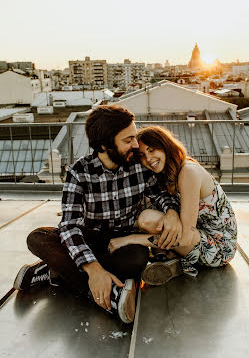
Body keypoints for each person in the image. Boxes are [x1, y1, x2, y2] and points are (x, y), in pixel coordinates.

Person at [13, 106, 180, 324]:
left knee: (138, 259)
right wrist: (93, 269)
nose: (136, 145)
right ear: (104, 145)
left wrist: (172, 212)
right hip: (89, 238)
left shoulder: (139, 165)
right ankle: (109, 297)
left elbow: (160, 196)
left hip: (121, 244)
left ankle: (56, 269)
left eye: (135, 137)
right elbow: (69, 226)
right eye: (128, 140)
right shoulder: (79, 172)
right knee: (37, 237)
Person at [108, 125, 237, 285]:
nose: (148, 159)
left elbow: (185, 237)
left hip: (218, 248)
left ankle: (169, 257)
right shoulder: (164, 175)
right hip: (195, 233)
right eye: (142, 155)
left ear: (165, 146)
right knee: (148, 207)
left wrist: (131, 239)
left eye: (152, 150)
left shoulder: (188, 172)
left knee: (147, 219)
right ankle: (171, 260)